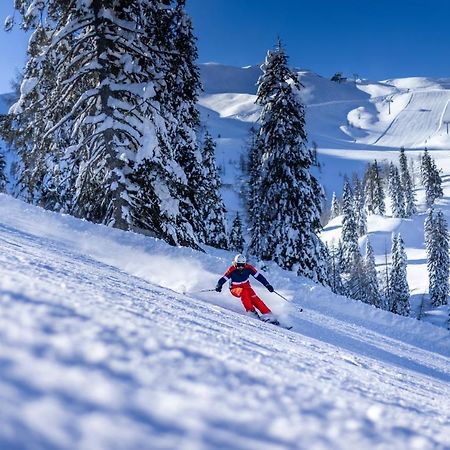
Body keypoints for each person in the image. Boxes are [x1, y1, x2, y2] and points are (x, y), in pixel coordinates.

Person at [215, 254, 279, 325]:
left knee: (255, 298)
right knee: (243, 292)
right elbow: (224, 278)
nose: (240, 267)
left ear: (245, 264)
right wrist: (219, 285)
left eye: (242, 265)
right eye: (238, 265)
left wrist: (267, 285)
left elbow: (259, 277)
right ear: (235, 263)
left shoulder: (249, 268)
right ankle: (251, 312)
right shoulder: (232, 270)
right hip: (235, 288)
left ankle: (269, 315)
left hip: (247, 287)